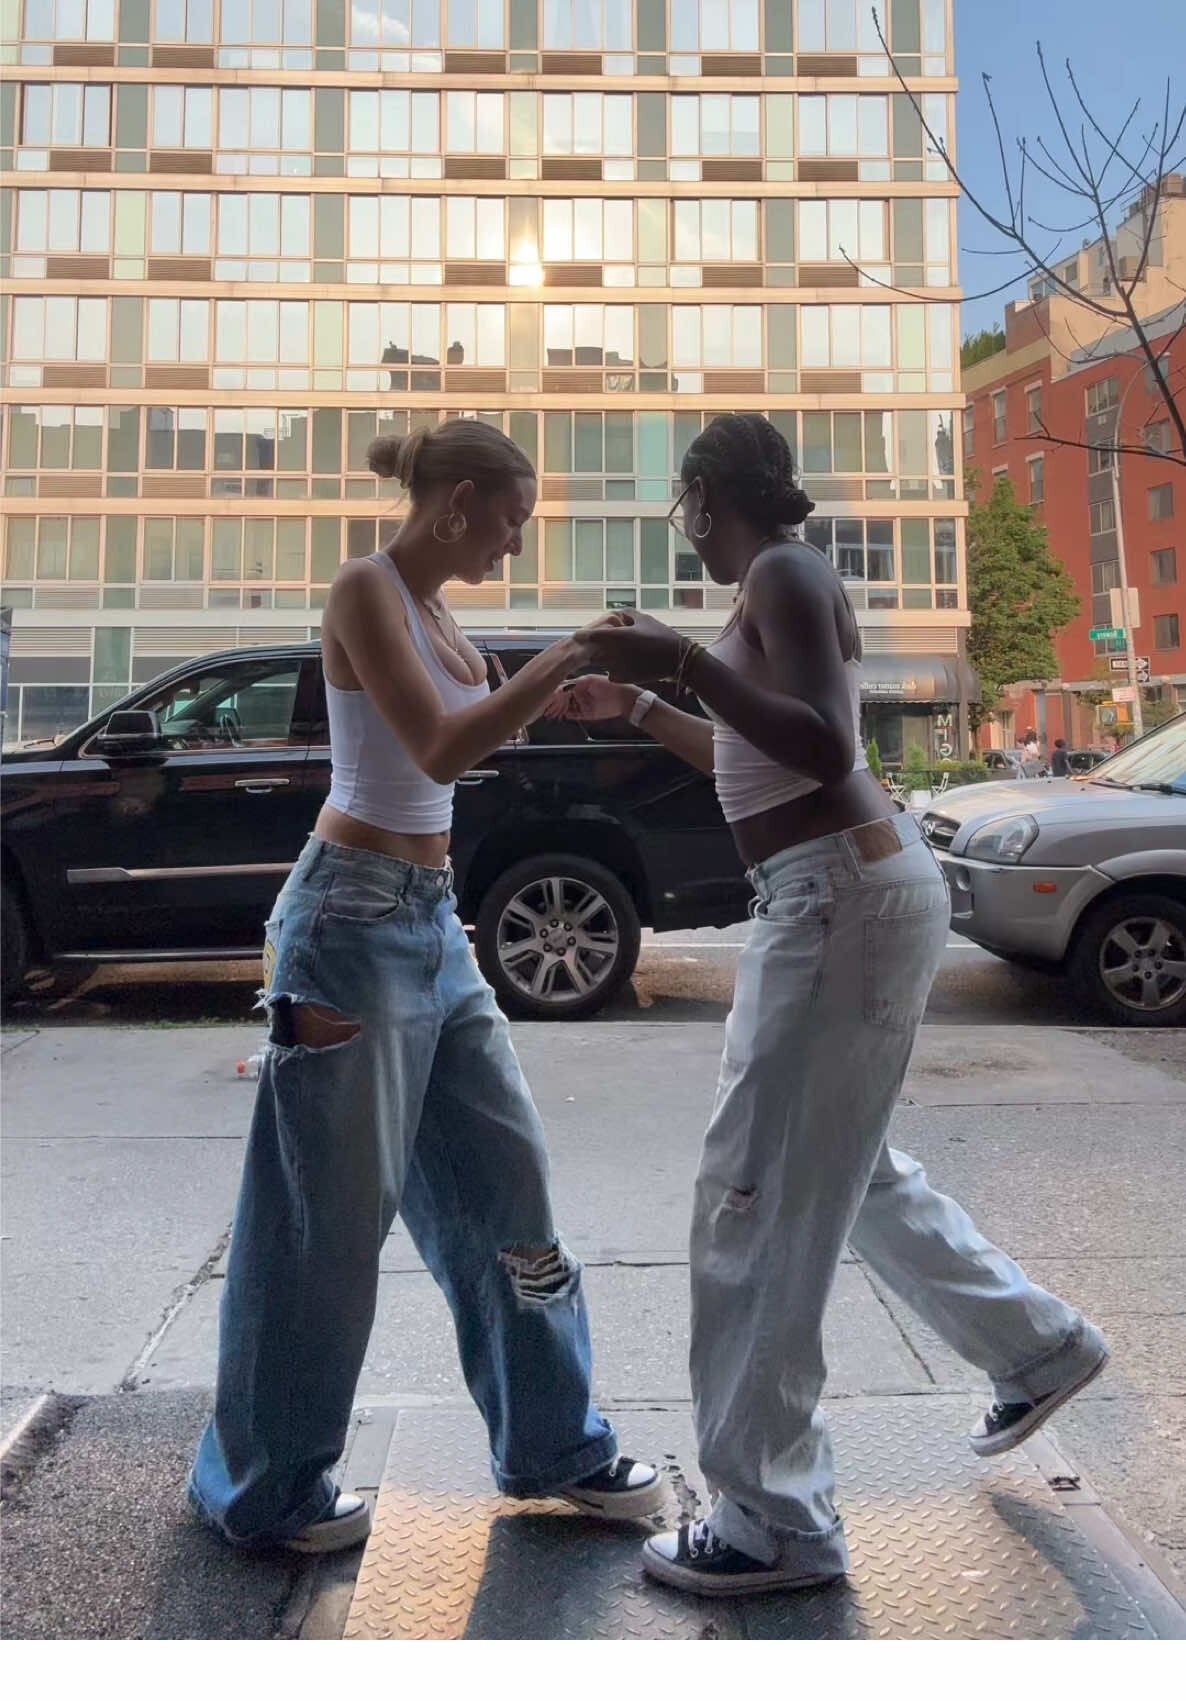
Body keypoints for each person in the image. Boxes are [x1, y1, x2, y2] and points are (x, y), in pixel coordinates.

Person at [553, 414, 1108, 1597]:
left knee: (750, 1196)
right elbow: (757, 756)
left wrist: (679, 662)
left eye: (683, 508)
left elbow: (824, 745)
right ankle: (1036, 1347)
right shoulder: (778, 581)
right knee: (843, 1170)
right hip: (840, 888)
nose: (686, 531)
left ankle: (773, 1521)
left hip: (836, 897)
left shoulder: (783, 573)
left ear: (705, 496)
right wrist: (641, 706)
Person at [189, 419, 665, 1554]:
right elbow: (439, 748)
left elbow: (465, 740)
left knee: (510, 1189)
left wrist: (566, 692)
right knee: (322, 1226)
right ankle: (262, 1489)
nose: (514, 543)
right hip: (345, 927)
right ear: (456, 502)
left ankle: (555, 1444)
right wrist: (562, 657)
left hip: (432, 927)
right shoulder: (366, 588)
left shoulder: (442, 613)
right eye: (510, 519)